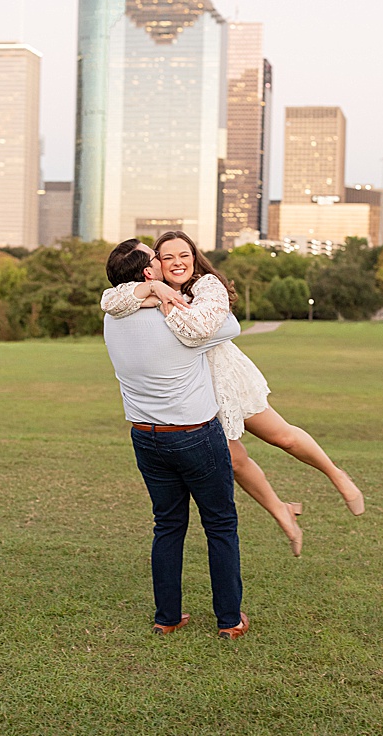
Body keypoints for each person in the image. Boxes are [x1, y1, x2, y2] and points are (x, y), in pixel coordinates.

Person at [102, 232, 364, 557]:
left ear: (195, 257)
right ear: (153, 267)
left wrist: (164, 302)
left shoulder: (206, 285)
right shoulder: (146, 290)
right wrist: (157, 293)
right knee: (237, 463)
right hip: (193, 393)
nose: (176, 263)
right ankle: (281, 511)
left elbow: (209, 329)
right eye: (166, 257)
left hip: (225, 377)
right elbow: (110, 299)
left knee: (283, 437)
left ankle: (337, 475)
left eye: (184, 255)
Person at [103, 239, 249, 638]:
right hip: (194, 436)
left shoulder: (111, 317)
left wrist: (151, 296)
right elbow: (232, 325)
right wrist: (170, 299)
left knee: (167, 526)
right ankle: (229, 621)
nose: (166, 263)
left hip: (145, 437)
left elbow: (115, 298)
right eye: (157, 259)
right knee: (220, 525)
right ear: (150, 273)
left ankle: (167, 617)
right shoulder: (180, 322)